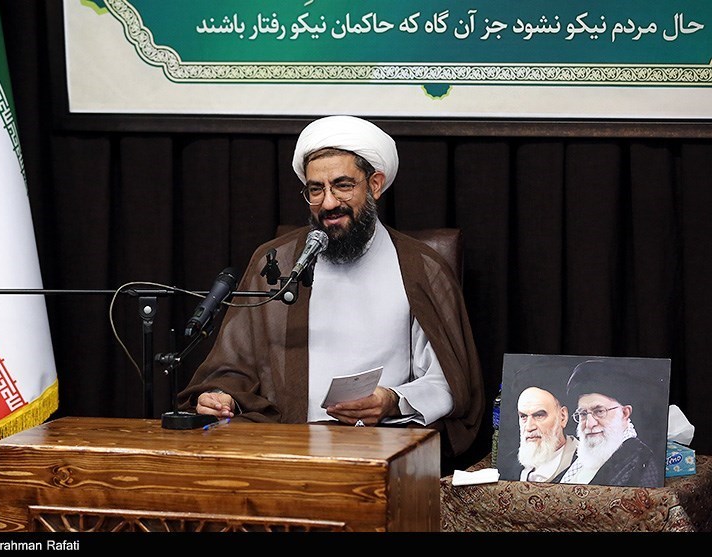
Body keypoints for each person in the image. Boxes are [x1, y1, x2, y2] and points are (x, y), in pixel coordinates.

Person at [175, 115, 484, 472]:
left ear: (375, 185)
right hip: (283, 446)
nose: (328, 203)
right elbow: (234, 364)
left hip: (377, 449)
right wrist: (219, 396)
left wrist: (392, 400)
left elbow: (446, 382)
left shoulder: (420, 268)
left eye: (342, 185)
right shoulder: (276, 262)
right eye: (316, 190)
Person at [556, 359, 662, 487]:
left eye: (599, 411)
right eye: (583, 414)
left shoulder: (641, 461)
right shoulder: (580, 459)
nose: (589, 424)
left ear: (624, 413)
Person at [511, 386, 577, 482]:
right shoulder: (509, 464)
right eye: (523, 416)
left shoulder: (583, 463)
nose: (529, 427)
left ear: (562, 417)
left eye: (539, 415)